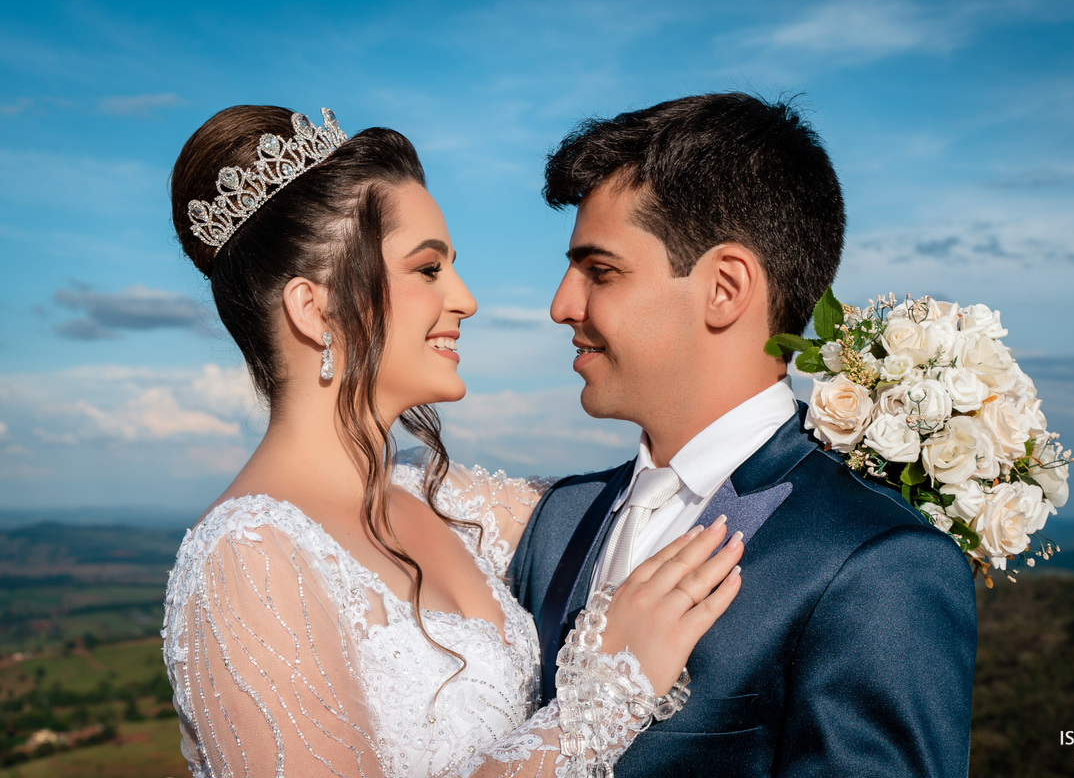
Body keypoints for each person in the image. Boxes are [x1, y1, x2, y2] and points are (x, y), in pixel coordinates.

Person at [161, 105, 744, 778]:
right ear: (315, 309)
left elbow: (655, 492)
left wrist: (874, 426)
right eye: (428, 269)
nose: (465, 299)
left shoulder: (445, 501)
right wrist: (608, 693)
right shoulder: (246, 558)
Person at [509, 93, 977, 776]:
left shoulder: (876, 563)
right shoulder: (558, 521)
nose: (561, 306)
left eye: (600, 271)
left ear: (725, 288)